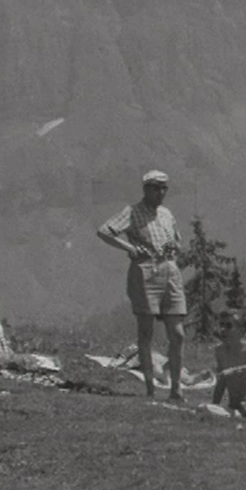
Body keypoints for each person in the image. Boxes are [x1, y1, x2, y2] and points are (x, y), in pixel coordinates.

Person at [97, 170, 187, 400]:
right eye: (156, 187)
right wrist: (130, 248)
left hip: (169, 269)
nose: (161, 192)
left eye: (164, 187)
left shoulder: (166, 213)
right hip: (145, 270)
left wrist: (174, 254)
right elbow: (105, 231)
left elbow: (176, 240)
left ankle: (176, 389)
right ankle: (150, 388)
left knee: (177, 333)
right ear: (146, 188)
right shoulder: (133, 212)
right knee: (146, 332)